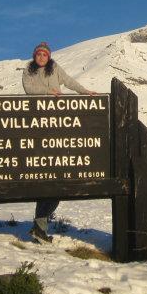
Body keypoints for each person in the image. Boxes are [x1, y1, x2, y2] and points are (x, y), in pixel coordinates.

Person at [21, 41, 95, 243]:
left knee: (57, 184)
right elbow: (29, 89)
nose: (41, 57)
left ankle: (39, 227)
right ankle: (39, 228)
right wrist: (48, 93)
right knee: (45, 181)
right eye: (38, 54)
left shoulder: (55, 68)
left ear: (49, 56)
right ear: (34, 56)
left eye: (45, 54)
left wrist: (84, 92)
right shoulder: (28, 69)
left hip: (57, 121)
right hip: (36, 121)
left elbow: (69, 81)